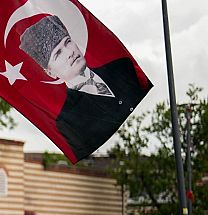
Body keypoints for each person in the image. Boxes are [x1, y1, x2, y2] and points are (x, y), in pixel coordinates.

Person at [19, 15, 152, 161]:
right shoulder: (67, 121)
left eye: (68, 42)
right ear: (50, 72)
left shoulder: (122, 67)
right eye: (58, 53)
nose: (70, 52)